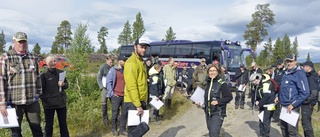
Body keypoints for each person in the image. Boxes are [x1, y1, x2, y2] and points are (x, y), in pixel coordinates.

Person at [0, 32, 43, 136]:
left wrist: (38, 93)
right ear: (14, 42)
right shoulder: (6, 57)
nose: (22, 44)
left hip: (31, 101)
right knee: (16, 132)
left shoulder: (33, 58)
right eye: (19, 42)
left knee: (37, 129)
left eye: (24, 41)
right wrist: (2, 103)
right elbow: (1, 80)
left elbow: (38, 77)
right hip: (13, 102)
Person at [274, 54, 310, 137]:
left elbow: (305, 92)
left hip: (292, 107)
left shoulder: (299, 74)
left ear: (295, 62)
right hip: (283, 105)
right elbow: (283, 87)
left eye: (291, 61)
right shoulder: (286, 73)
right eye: (287, 61)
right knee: (283, 128)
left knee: (292, 131)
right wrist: (278, 96)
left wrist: (293, 104)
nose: (289, 63)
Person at [195, 64, 233, 137]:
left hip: (218, 112)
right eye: (210, 71)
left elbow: (229, 97)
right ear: (208, 72)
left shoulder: (222, 83)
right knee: (211, 132)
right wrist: (199, 103)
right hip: (208, 112)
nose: (212, 72)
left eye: (214, 71)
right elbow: (205, 98)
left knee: (214, 134)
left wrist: (218, 101)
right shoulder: (207, 84)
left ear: (218, 72)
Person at [123, 37, 150, 135]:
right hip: (133, 102)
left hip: (140, 100)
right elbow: (131, 86)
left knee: (140, 132)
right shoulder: (131, 63)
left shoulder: (140, 62)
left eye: (145, 48)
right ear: (135, 47)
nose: (144, 50)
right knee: (133, 133)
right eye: (141, 47)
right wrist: (138, 105)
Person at [40, 55, 69, 137]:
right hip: (49, 105)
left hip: (61, 103)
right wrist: (46, 100)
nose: (53, 63)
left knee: (63, 124)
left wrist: (63, 84)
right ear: (46, 63)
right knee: (49, 126)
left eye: (54, 61)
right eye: (51, 62)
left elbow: (67, 86)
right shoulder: (43, 75)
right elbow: (40, 91)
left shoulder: (61, 72)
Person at [106, 56, 128, 136]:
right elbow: (108, 83)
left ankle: (122, 129)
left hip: (125, 96)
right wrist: (112, 93)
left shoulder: (126, 70)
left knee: (124, 114)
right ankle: (114, 129)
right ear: (119, 61)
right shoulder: (113, 70)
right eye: (124, 60)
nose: (125, 62)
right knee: (115, 114)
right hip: (116, 96)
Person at [97, 53, 116, 126]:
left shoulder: (113, 68)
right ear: (107, 60)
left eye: (113, 61)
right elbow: (98, 78)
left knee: (114, 104)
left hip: (111, 88)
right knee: (104, 104)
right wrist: (101, 87)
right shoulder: (103, 67)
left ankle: (115, 118)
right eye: (110, 61)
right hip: (104, 89)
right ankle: (105, 120)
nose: (112, 63)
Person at [301, 61, 318, 137]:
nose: (303, 67)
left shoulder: (311, 77)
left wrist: (306, 101)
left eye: (304, 66)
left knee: (306, 123)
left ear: (309, 67)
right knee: (305, 122)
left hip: (308, 104)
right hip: (307, 103)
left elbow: (314, 93)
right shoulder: (308, 76)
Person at [271, 59, 286, 123]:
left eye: (280, 64)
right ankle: (276, 117)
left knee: (282, 105)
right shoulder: (276, 71)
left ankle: (282, 120)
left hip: (282, 89)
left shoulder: (284, 71)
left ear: (282, 64)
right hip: (275, 89)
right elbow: (273, 79)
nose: (278, 65)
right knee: (276, 104)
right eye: (278, 64)